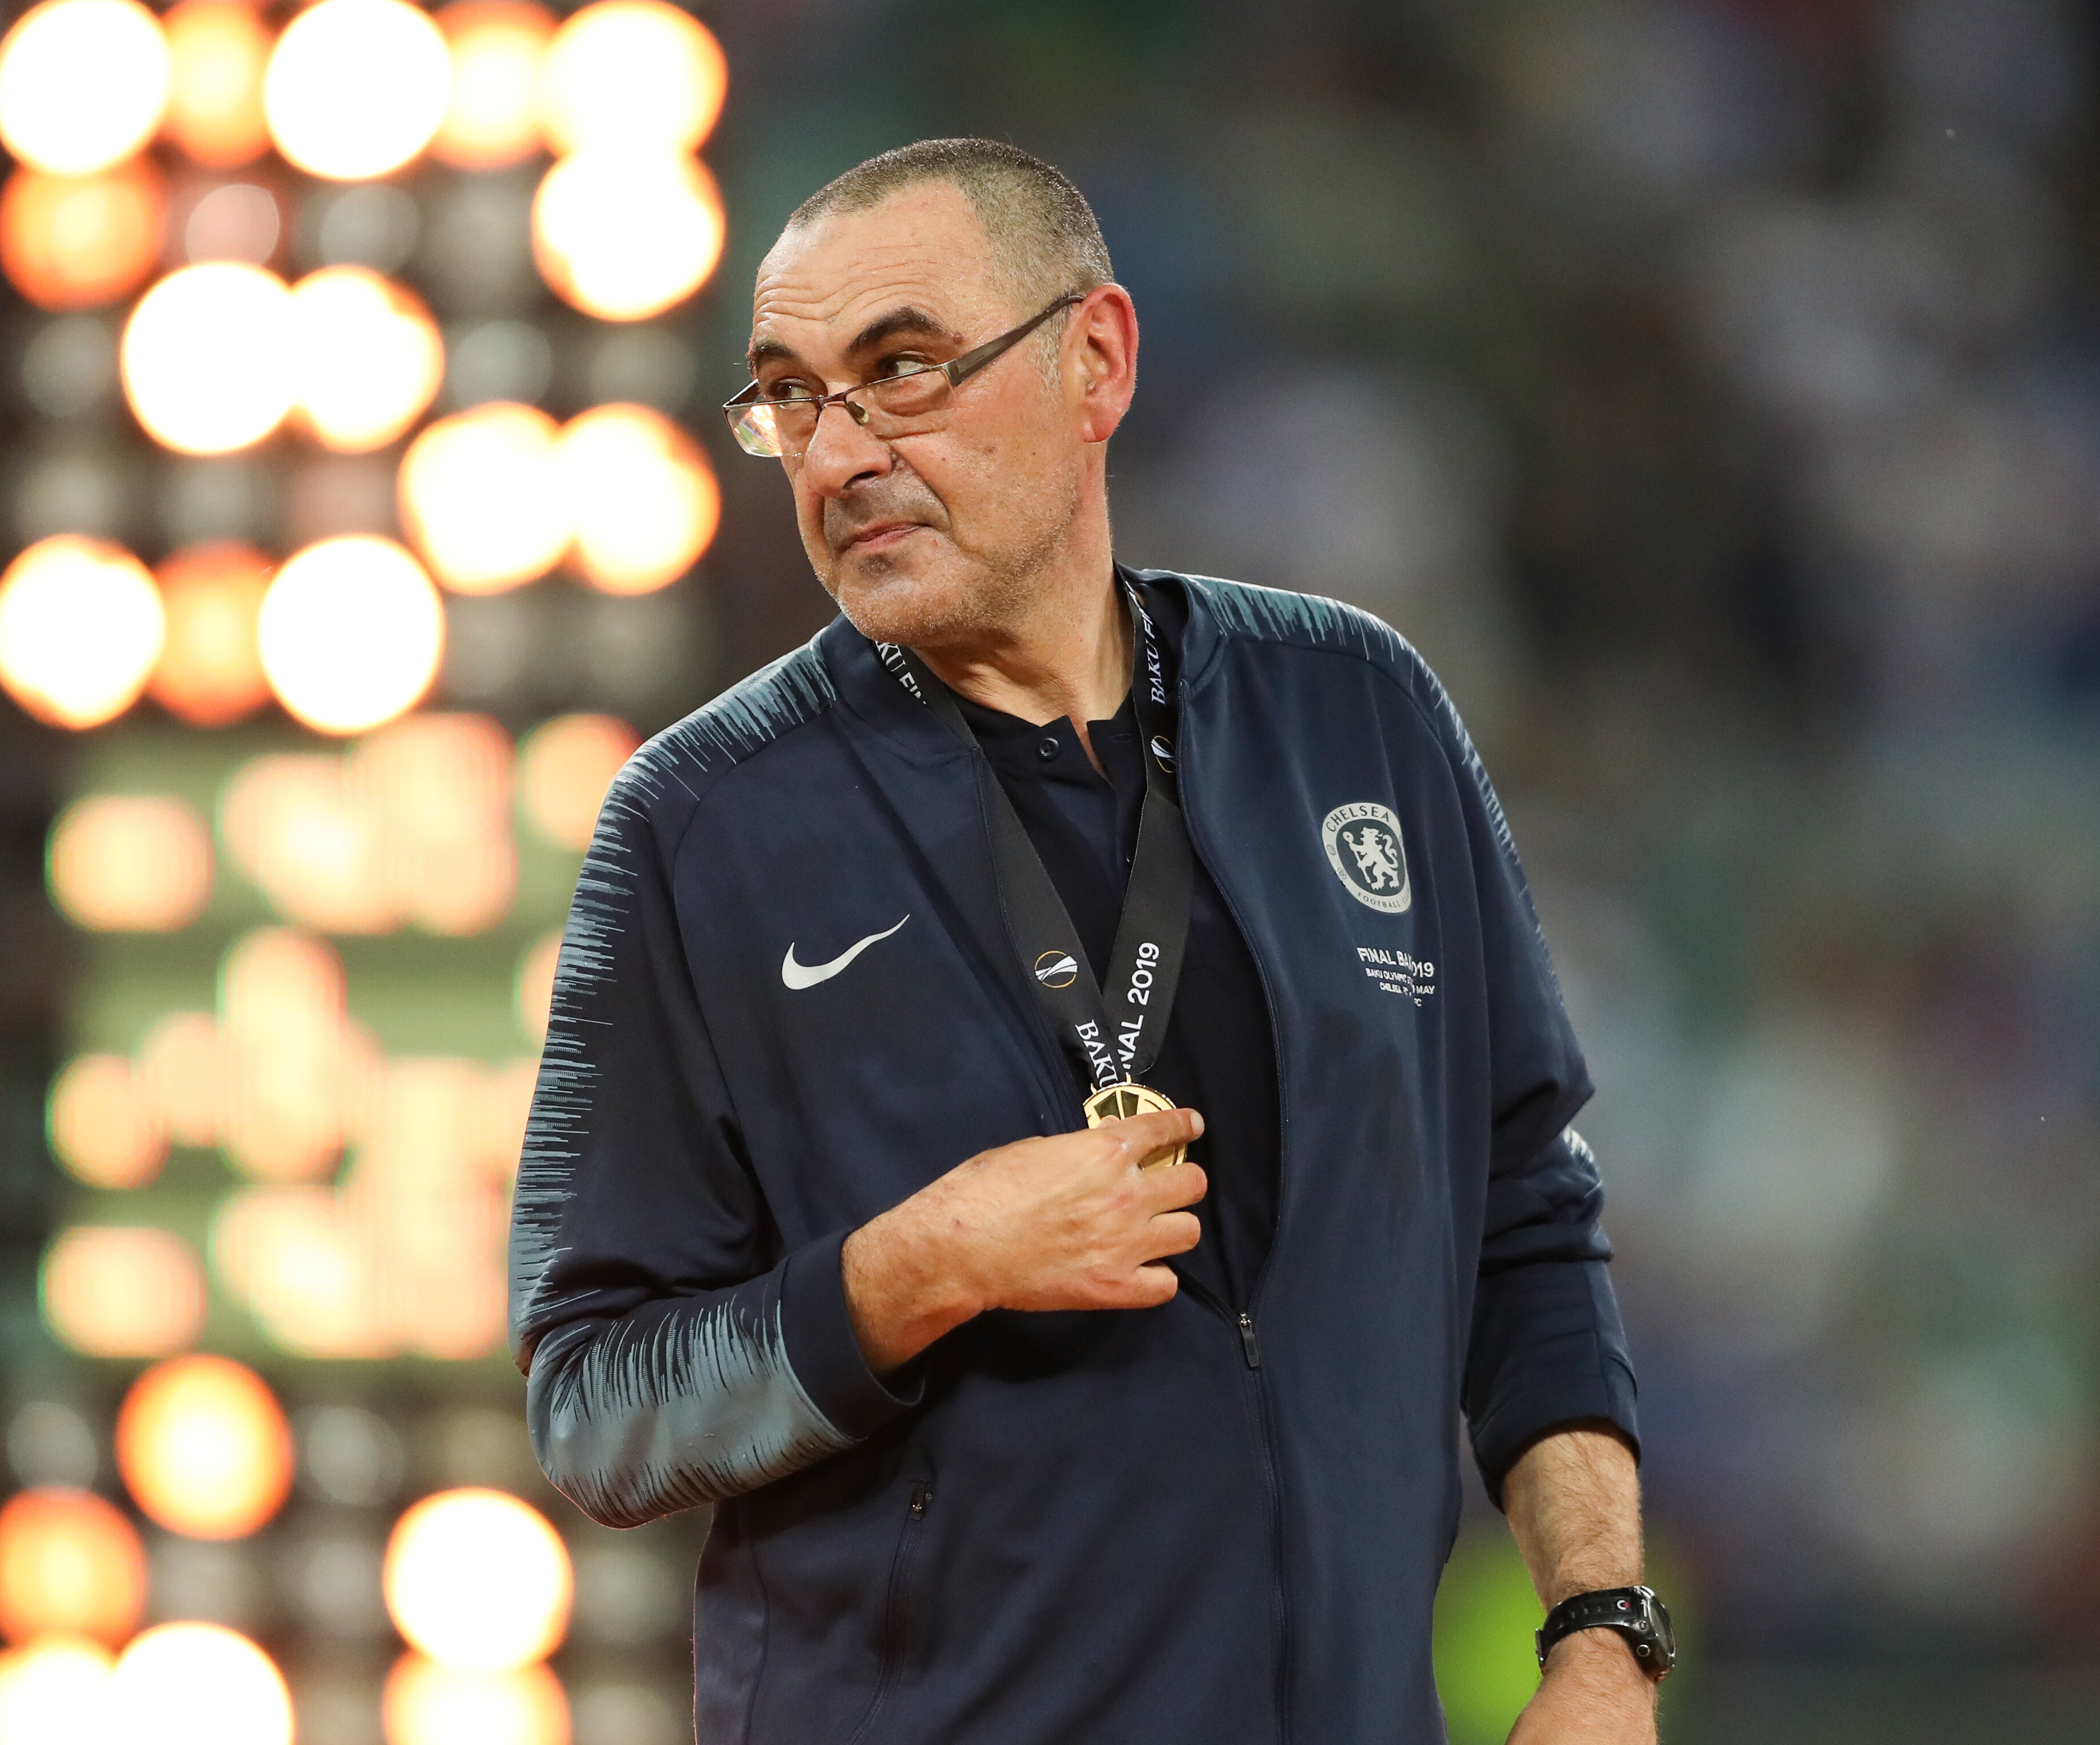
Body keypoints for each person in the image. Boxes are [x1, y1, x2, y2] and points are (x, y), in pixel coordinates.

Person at [511, 138, 1663, 1744]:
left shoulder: (1355, 712)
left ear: (1095, 362)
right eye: (788, 397)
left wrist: (1599, 1631)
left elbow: (1520, 1212)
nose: (837, 454)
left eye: (901, 371)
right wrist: (918, 1270)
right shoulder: (702, 823)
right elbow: (596, 1408)